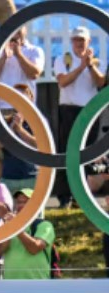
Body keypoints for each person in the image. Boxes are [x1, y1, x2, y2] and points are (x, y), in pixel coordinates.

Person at [54, 27, 104, 207]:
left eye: (82, 40)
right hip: (69, 109)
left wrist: (89, 65)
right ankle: (64, 196)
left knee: (87, 153)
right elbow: (63, 82)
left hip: (90, 110)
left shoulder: (98, 61)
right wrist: (81, 66)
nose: (79, 43)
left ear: (89, 42)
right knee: (67, 152)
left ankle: (80, 195)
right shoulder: (63, 59)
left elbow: (100, 82)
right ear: (71, 41)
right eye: (76, 39)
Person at [0, 188, 55, 280]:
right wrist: (8, 229)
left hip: (37, 283)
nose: (21, 205)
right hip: (10, 283)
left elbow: (34, 248)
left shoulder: (45, 225)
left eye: (26, 202)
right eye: (19, 202)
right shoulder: (9, 225)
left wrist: (16, 227)